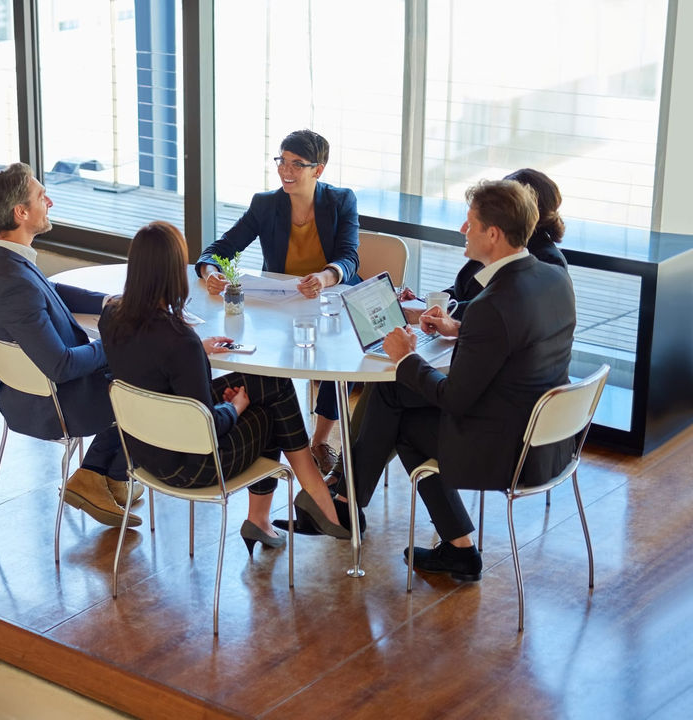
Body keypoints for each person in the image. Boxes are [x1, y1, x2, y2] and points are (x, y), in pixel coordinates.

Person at [321, 179, 577, 581]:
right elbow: (516, 343)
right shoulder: (552, 278)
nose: (462, 229)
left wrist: (405, 357)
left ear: (492, 235)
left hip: (507, 451)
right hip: (549, 439)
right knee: (395, 396)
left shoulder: (492, 306)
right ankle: (348, 504)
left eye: (470, 222)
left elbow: (454, 400)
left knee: (401, 415)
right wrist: (461, 330)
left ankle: (349, 506)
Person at [99, 221, 350, 552]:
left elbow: (149, 368)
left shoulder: (113, 316)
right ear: (174, 272)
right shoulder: (179, 341)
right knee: (271, 404)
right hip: (193, 465)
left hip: (144, 452)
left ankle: (271, 517)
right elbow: (206, 429)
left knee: (268, 382)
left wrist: (200, 351)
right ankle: (317, 500)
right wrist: (234, 408)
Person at [0, 162, 142, 529]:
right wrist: (118, 342)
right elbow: (61, 366)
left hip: (21, 394)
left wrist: (112, 302)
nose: (50, 200)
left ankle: (112, 476)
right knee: (147, 374)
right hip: (55, 405)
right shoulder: (13, 283)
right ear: (21, 212)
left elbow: (53, 293)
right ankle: (93, 475)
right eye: (40, 196)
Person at [193, 129, 360, 475]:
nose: (286, 170)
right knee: (264, 359)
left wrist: (325, 277)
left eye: (297, 164)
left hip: (330, 298)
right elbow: (218, 250)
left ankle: (320, 440)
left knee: (334, 359)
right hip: (282, 302)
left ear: (319, 169)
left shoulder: (341, 201)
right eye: (282, 161)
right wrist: (210, 272)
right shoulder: (265, 204)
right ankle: (276, 437)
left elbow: (349, 258)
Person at [401, 168, 568, 324]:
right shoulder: (497, 244)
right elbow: (463, 290)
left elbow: (497, 307)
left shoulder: (545, 261)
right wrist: (425, 302)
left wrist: (432, 313)